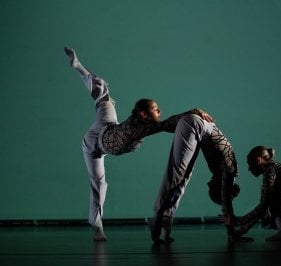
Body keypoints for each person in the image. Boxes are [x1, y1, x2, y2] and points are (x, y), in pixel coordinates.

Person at [64, 47, 213, 241]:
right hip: (93, 144)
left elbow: (168, 123)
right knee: (99, 184)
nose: (159, 111)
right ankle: (98, 227)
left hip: (108, 125)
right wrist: (194, 111)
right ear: (143, 114)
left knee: (104, 98)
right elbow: (171, 123)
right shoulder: (141, 128)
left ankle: (79, 67)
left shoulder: (143, 125)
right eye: (155, 109)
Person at [150, 113, 244, 244]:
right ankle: (158, 219)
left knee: (183, 177)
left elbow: (226, 197)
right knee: (178, 174)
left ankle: (164, 230)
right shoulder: (229, 172)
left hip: (197, 128)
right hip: (196, 126)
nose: (208, 183)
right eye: (210, 186)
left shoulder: (225, 172)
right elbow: (226, 202)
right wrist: (232, 233)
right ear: (220, 186)